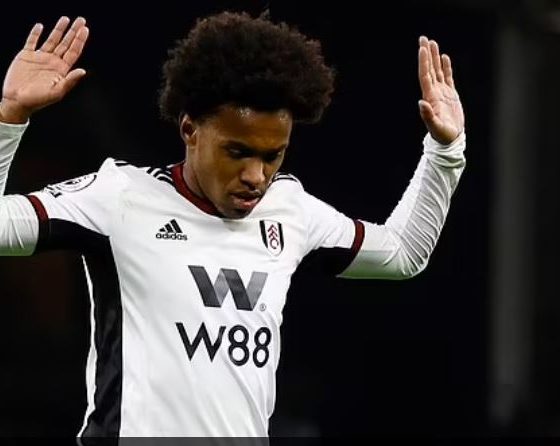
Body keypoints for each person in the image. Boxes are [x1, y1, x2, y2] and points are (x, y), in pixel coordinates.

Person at [0, 11, 465, 439]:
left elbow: (402, 253)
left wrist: (445, 152)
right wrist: (9, 117)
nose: (256, 176)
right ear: (190, 129)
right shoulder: (119, 198)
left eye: (272, 156)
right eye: (237, 152)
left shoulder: (290, 210)